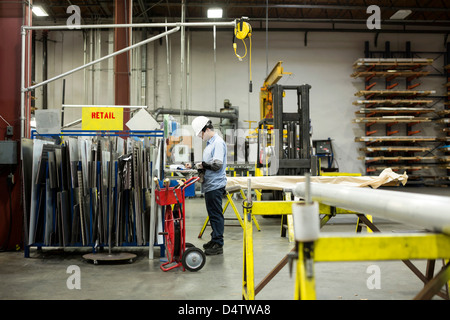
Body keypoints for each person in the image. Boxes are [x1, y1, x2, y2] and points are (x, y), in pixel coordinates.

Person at [186, 116, 227, 255]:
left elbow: (217, 165)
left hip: (215, 185)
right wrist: (196, 165)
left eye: (201, 134)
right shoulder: (210, 144)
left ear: (207, 129)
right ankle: (214, 240)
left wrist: (202, 165)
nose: (200, 137)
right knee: (212, 214)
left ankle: (218, 244)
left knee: (216, 214)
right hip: (210, 185)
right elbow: (209, 163)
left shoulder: (218, 143)